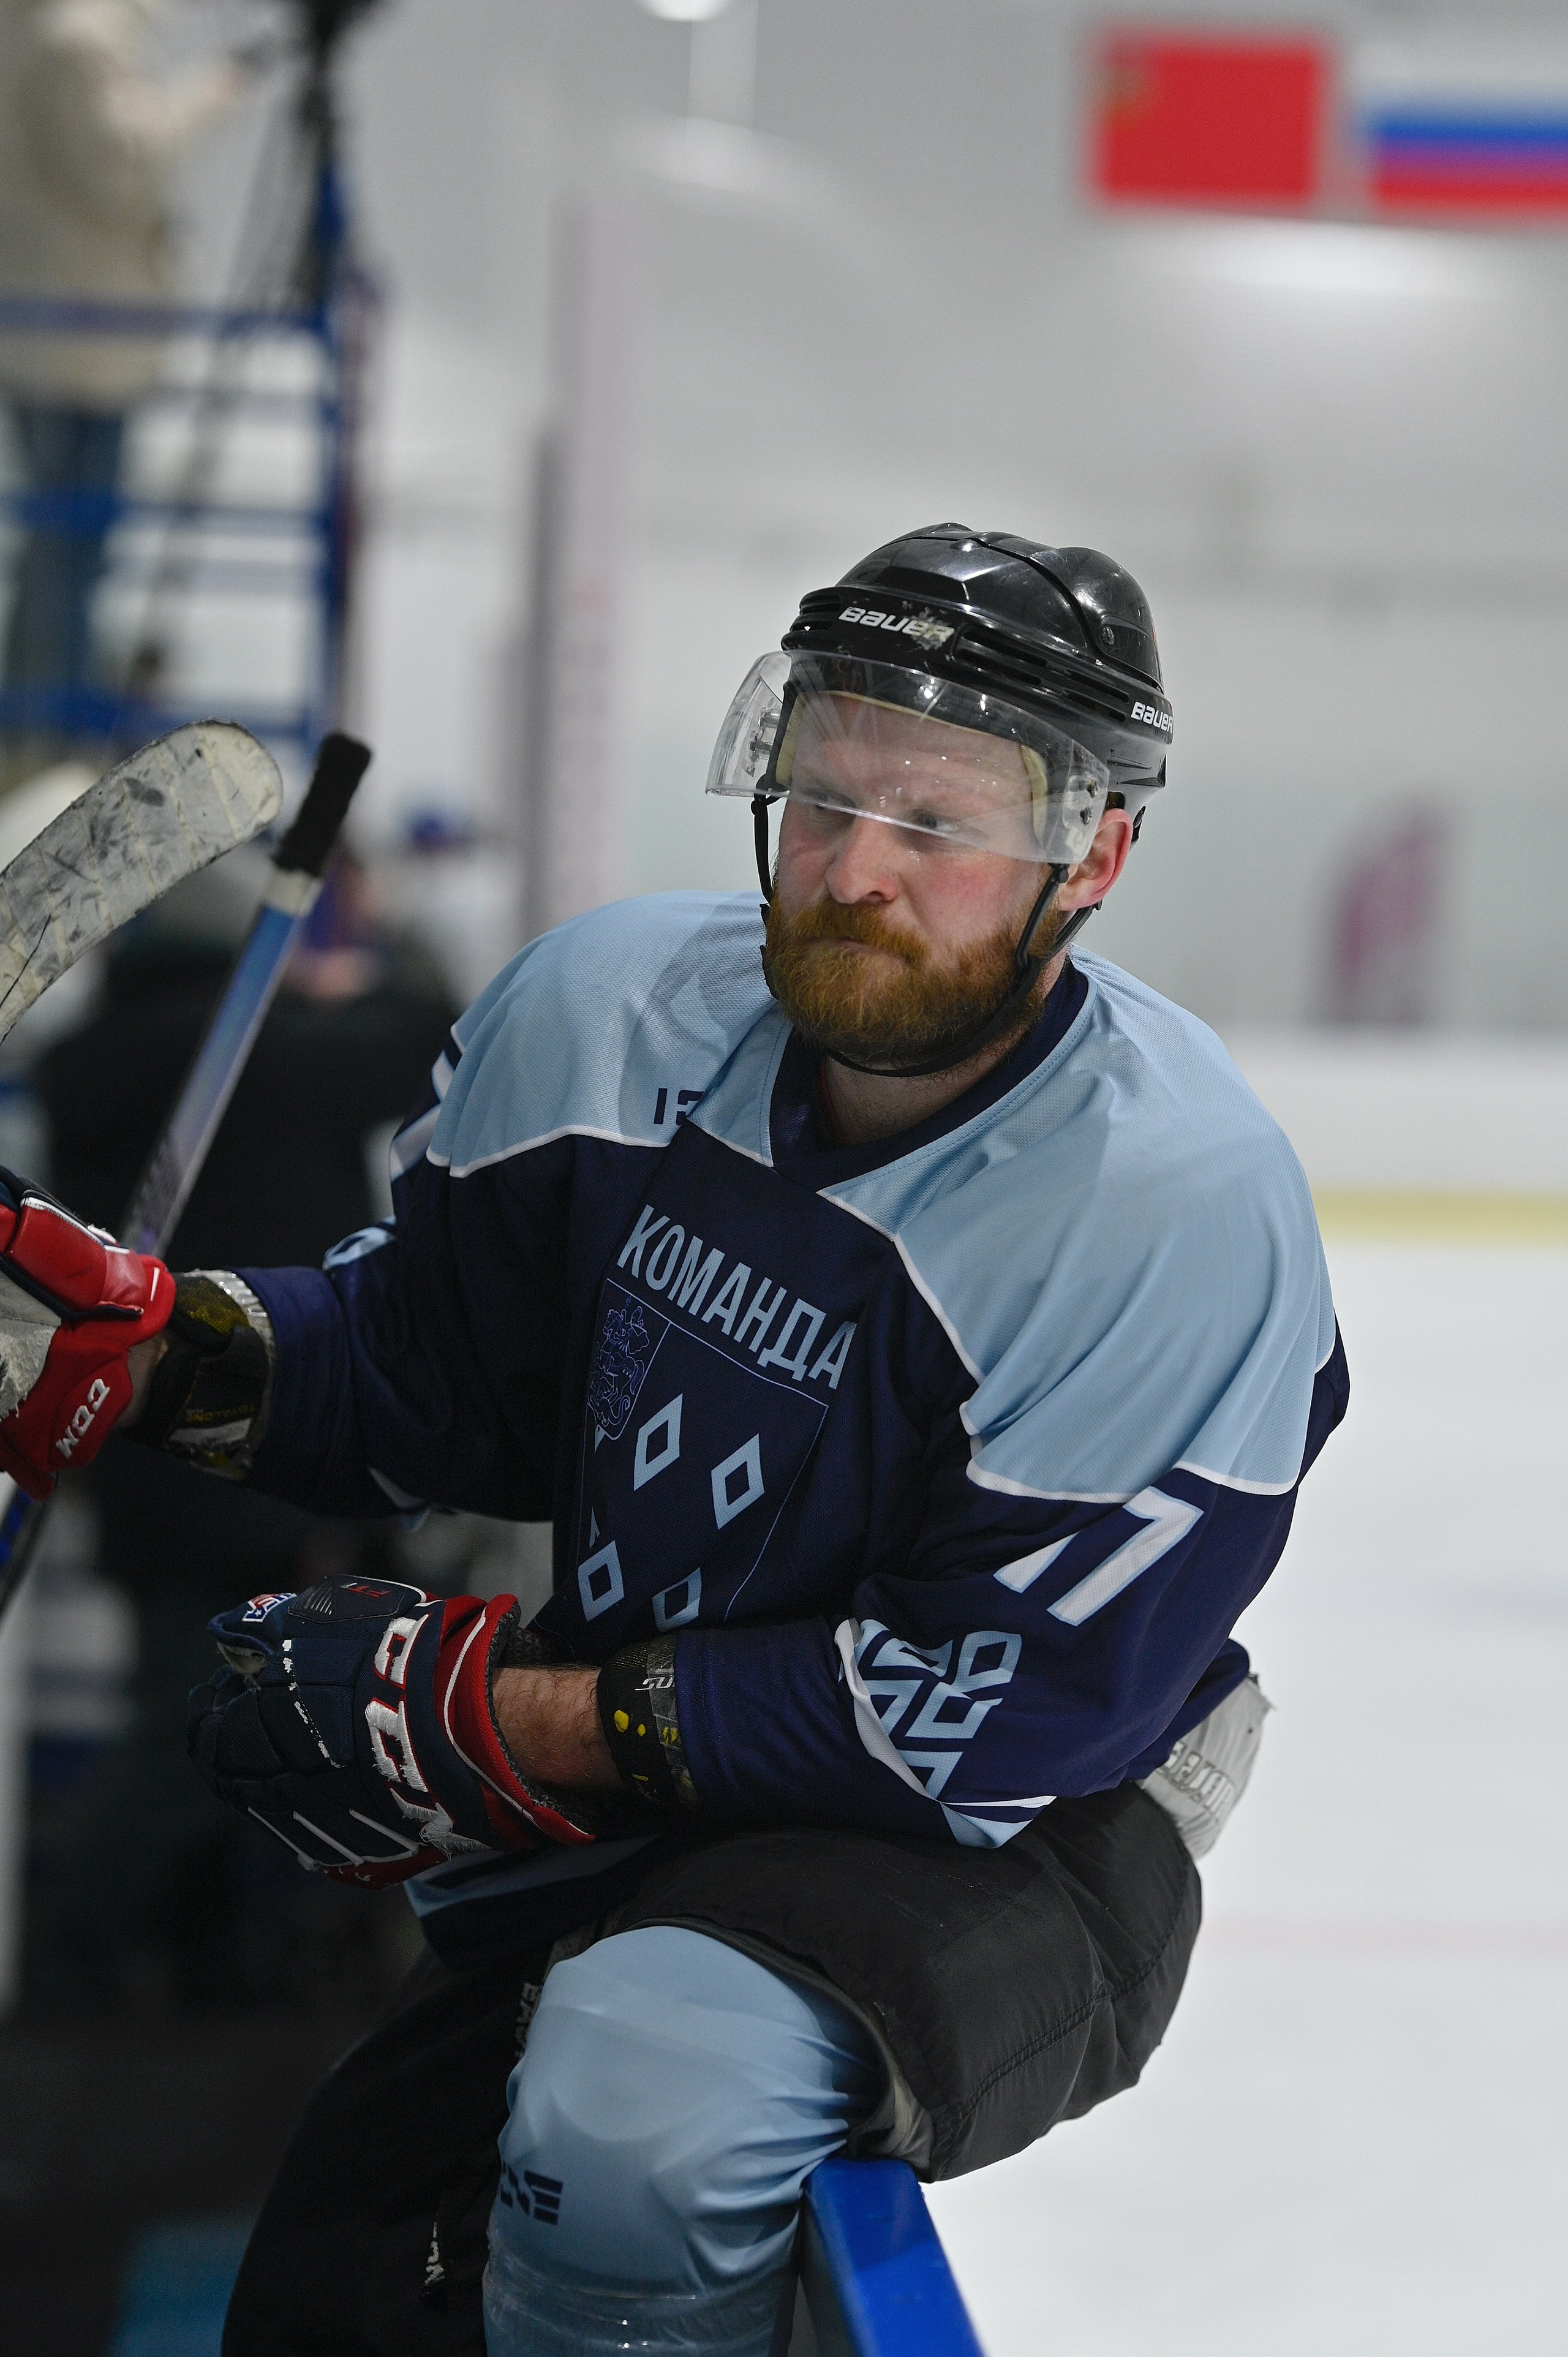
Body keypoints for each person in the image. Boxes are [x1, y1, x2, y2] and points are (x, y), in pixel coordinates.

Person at [0, 526, 1348, 2355]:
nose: (853, 871)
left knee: (641, 2123)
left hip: (1010, 1831)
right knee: (323, 2294)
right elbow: (422, 1375)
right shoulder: (616, 1013)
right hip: (661, 1765)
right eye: (818, 798)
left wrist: (490, 1714)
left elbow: (983, 1716)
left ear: (1088, 854)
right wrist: (161, 1348)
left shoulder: (1169, 1205)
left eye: (937, 825)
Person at [0, 0, 247, 771]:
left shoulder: (44, 30)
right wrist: (209, 98)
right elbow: (122, 166)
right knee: (71, 543)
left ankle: (42, 726)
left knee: (65, 542)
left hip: (65, 332)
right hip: (78, 340)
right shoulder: (78, 41)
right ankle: (48, 738)